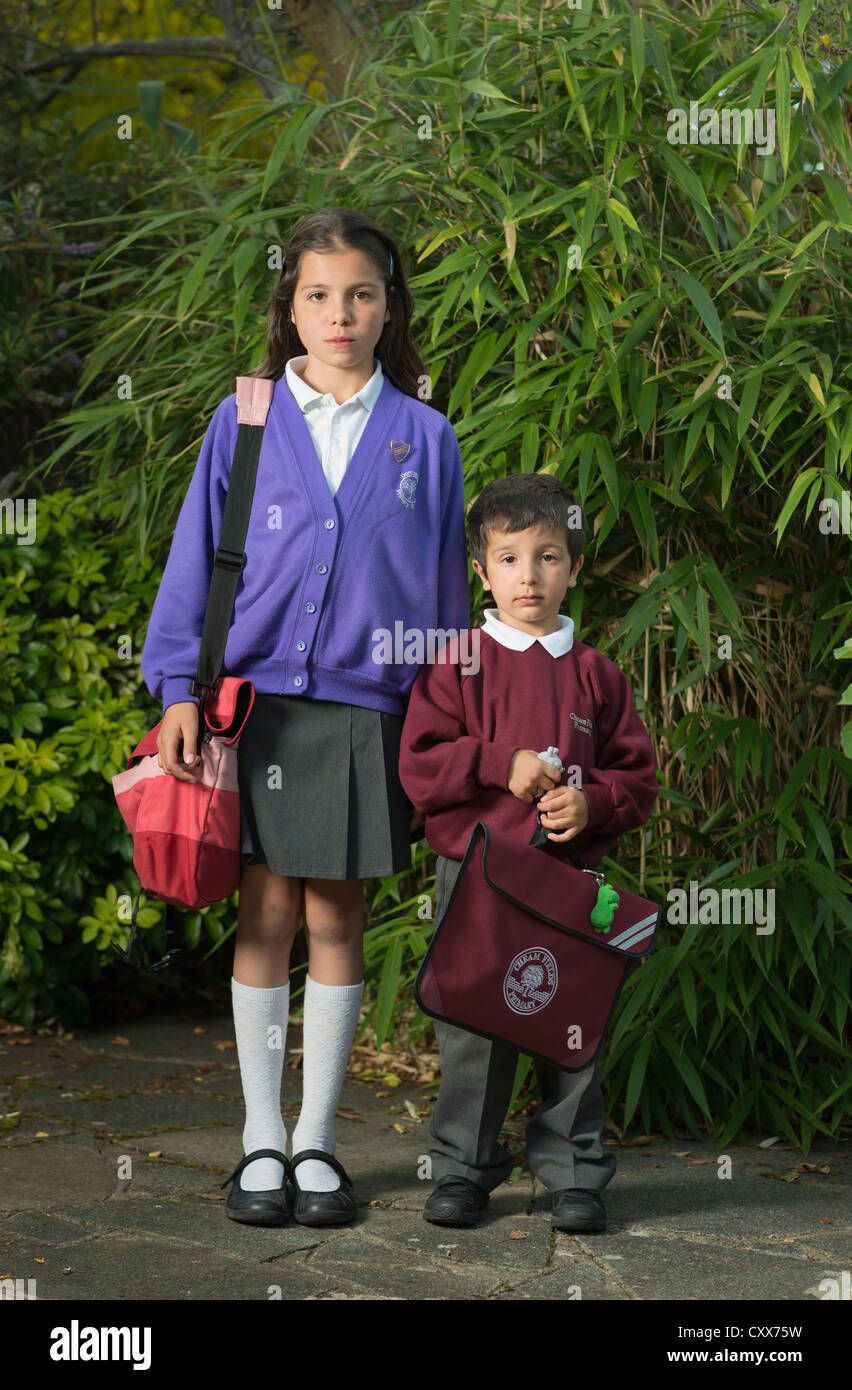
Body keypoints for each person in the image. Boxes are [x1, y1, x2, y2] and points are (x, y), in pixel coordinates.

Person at [140, 207, 469, 1228]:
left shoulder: (426, 433)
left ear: (388, 308)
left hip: (369, 709)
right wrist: (179, 691)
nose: (340, 313)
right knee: (267, 916)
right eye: (318, 294)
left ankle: (318, 1140)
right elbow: (196, 557)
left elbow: (444, 598)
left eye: (362, 294)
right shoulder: (243, 415)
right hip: (257, 710)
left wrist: (445, 721)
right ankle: (259, 1142)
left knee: (337, 917)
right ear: (289, 307)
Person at [398, 473, 658, 1233]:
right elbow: (419, 764)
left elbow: (636, 779)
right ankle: (463, 1170)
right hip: (476, 879)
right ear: (482, 571)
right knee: (473, 1030)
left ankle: (574, 1173)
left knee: (571, 1027)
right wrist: (494, 764)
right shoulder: (456, 661)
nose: (528, 576)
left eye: (547, 557)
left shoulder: (597, 674)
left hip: (568, 881)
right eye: (509, 558)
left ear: (574, 567)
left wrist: (593, 802)